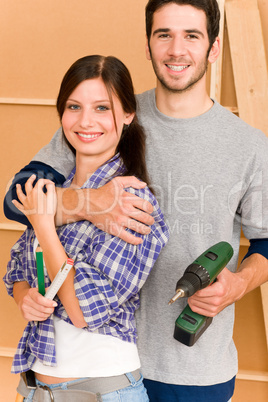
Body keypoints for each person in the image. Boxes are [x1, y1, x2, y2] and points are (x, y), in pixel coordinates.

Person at [4, 1, 268, 401]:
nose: (176, 50)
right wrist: (94, 203)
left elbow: (266, 241)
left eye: (191, 36)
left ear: (213, 48)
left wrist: (237, 284)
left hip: (192, 369)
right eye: (164, 35)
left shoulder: (249, 147)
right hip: (104, 363)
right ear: (148, 45)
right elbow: (16, 198)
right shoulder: (105, 116)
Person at [3, 54, 169, 401]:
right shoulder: (53, 189)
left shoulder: (134, 204)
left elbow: (80, 310)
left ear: (127, 114)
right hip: (36, 390)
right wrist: (26, 298)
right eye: (74, 107)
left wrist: (44, 223)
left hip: (103, 392)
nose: (85, 121)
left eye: (102, 108)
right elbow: (16, 270)